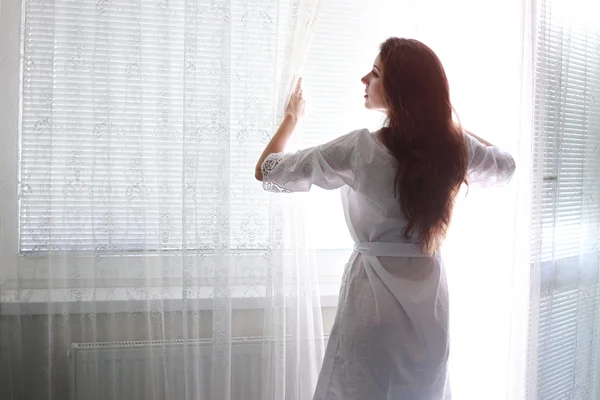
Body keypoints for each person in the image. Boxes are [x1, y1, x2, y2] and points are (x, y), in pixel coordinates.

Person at [255, 37, 515, 400]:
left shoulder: (359, 149)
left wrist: (291, 119)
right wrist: (445, 120)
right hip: (430, 313)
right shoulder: (453, 149)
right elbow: (505, 166)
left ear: (399, 91)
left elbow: (268, 172)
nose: (364, 79)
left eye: (375, 73)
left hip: (372, 306)